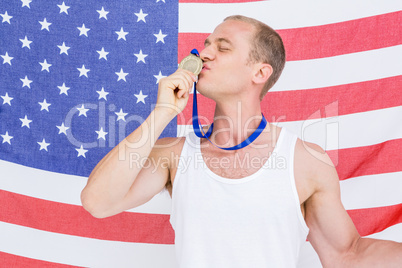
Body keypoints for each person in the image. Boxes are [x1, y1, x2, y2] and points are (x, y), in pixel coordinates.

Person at [81, 15, 402, 267]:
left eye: (222, 47)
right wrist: (162, 113)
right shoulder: (174, 156)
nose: (203, 53)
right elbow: (97, 202)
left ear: (260, 72)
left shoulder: (305, 160)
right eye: (206, 44)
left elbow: (348, 254)